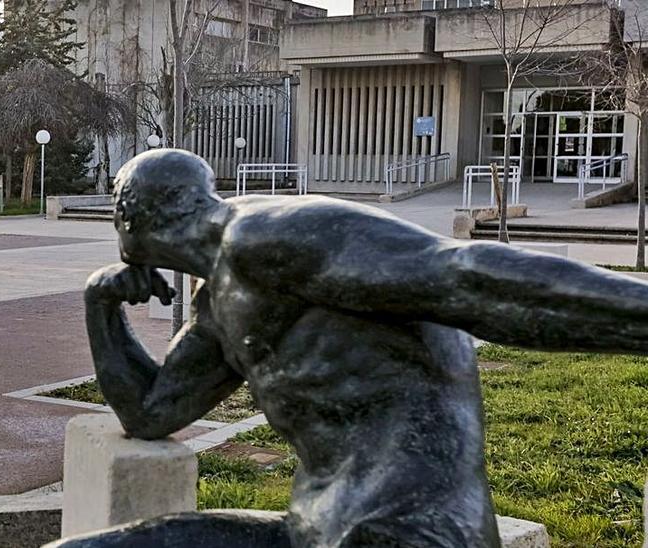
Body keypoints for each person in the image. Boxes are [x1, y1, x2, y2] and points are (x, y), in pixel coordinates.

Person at [72, 149, 648, 547]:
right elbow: (152, 413)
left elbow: (468, 276)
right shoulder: (216, 301)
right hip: (315, 527)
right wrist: (101, 306)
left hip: (407, 530)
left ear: (130, 218)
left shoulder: (268, 235)